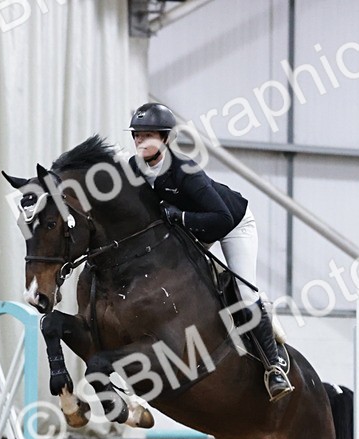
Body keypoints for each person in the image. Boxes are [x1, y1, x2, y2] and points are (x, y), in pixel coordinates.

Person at [126, 102, 293, 401]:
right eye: (136, 135)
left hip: (232, 224)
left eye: (147, 135)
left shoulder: (184, 170)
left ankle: (274, 367)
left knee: (242, 292)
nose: (140, 141)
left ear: (165, 138)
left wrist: (179, 217)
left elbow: (222, 218)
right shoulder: (133, 168)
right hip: (194, 230)